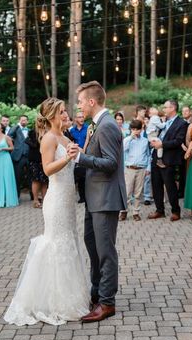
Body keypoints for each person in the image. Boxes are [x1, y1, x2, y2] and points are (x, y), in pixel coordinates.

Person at [4, 97, 89, 326]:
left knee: (69, 240)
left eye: (65, 110)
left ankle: (71, 296)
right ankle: (54, 302)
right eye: (61, 111)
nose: (66, 114)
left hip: (68, 199)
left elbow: (77, 159)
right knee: (56, 243)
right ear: (51, 116)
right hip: (56, 199)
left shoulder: (65, 136)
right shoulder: (49, 139)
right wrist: (67, 158)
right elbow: (48, 169)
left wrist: (82, 146)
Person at [68, 81, 127, 323]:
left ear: (91, 102)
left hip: (105, 198)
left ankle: (107, 303)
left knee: (105, 252)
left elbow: (111, 162)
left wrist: (82, 158)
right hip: (94, 198)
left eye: (81, 101)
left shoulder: (108, 126)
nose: (79, 106)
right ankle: (96, 293)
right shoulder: (97, 124)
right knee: (92, 247)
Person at [149, 100, 188, 221]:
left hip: (169, 159)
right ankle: (159, 210)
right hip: (156, 157)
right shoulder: (162, 122)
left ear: (173, 108)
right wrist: (154, 142)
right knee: (156, 185)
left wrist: (162, 144)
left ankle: (176, 211)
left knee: (170, 186)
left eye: (165, 107)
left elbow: (178, 141)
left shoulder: (181, 123)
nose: (164, 109)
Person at [119, 119, 151, 222]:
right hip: (129, 169)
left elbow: (148, 155)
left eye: (137, 129)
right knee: (127, 191)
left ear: (141, 129)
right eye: (133, 129)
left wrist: (148, 168)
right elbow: (123, 149)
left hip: (141, 168)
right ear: (131, 129)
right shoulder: (127, 140)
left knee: (138, 192)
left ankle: (136, 212)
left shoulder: (145, 141)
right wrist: (131, 137)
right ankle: (124, 211)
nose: (136, 131)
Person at [25, 117, 48, 208]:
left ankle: (45, 200)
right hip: (35, 160)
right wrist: (40, 136)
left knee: (44, 181)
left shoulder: (48, 132)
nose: (40, 123)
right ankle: (35, 200)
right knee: (36, 180)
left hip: (44, 159)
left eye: (42, 121)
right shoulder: (32, 132)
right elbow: (33, 145)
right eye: (39, 121)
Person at [8, 115, 30, 199]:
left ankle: (33, 196)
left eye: (25, 120)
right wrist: (17, 125)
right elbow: (9, 134)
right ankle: (16, 196)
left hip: (28, 156)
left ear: (27, 121)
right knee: (17, 177)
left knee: (30, 176)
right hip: (18, 157)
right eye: (22, 120)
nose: (23, 121)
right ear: (19, 121)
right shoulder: (16, 129)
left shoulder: (29, 130)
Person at [70, 110, 88, 203]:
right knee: (78, 177)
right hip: (76, 156)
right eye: (79, 117)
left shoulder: (88, 128)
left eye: (82, 117)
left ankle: (86, 197)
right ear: (76, 119)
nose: (82, 118)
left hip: (86, 155)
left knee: (86, 177)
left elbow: (89, 141)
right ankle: (81, 197)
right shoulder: (72, 130)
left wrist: (84, 151)